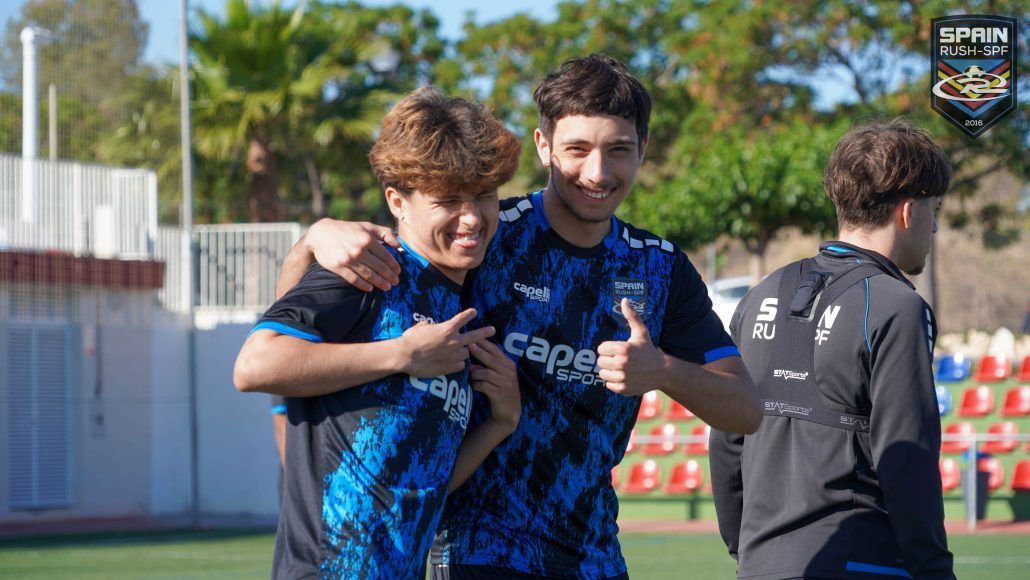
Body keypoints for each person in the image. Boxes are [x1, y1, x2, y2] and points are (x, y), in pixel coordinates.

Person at [278, 54, 762, 579]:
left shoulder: (660, 268)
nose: (597, 173)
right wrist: (313, 239)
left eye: (618, 150)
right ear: (543, 146)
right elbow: (315, 316)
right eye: (577, 149)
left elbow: (746, 411)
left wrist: (664, 371)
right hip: (470, 552)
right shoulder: (481, 233)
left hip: (594, 558)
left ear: (643, 149)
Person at [233, 87, 523, 578]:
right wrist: (400, 355)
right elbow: (255, 365)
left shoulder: (458, 306)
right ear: (398, 201)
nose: (472, 217)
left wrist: (501, 423)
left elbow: (423, 481)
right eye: (448, 200)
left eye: (484, 196)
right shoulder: (369, 272)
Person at [708, 119, 955, 579]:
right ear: (907, 212)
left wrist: (746, 547)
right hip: (863, 561)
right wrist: (934, 570)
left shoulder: (762, 293)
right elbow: (907, 459)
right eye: (933, 209)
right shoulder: (897, 306)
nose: (935, 226)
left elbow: (727, 440)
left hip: (761, 564)